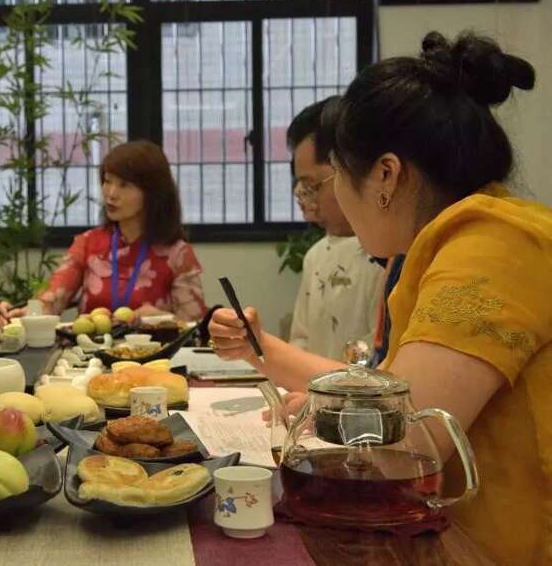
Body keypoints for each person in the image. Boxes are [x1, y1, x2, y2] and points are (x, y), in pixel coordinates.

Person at [209, 32, 551, 565]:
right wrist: (277, 362)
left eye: (337, 175)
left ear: (386, 175)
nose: (335, 196)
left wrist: (319, 415)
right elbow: (389, 388)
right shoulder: (447, 244)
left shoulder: (490, 244)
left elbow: (413, 438)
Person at [0, 140, 208, 324]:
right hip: (87, 361)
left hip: (154, 364)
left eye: (124, 185)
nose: (111, 194)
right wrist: (21, 314)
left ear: (152, 193)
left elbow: (196, 328)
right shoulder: (88, 242)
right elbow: (52, 300)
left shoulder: (178, 254)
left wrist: (162, 319)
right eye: (107, 181)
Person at [286, 97, 384, 360]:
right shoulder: (316, 255)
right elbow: (301, 342)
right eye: (301, 185)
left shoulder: (384, 256)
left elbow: (379, 359)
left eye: (313, 185)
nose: (303, 195)